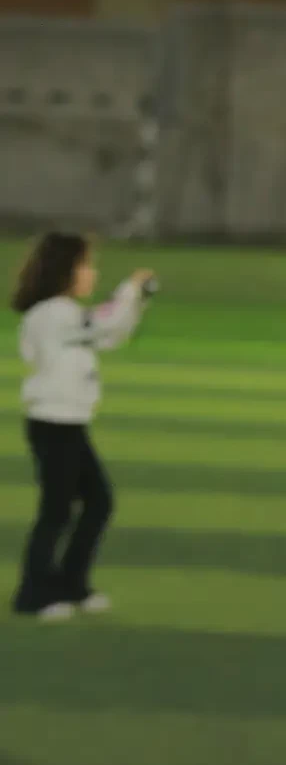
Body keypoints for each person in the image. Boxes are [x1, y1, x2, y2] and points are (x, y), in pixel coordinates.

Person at [10, 232, 154, 621]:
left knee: (96, 503)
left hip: (68, 423)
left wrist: (136, 300)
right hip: (53, 423)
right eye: (86, 265)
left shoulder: (66, 314)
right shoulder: (52, 313)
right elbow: (104, 324)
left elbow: (113, 333)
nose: (92, 273)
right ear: (66, 270)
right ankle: (32, 594)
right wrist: (130, 290)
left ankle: (70, 585)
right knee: (58, 509)